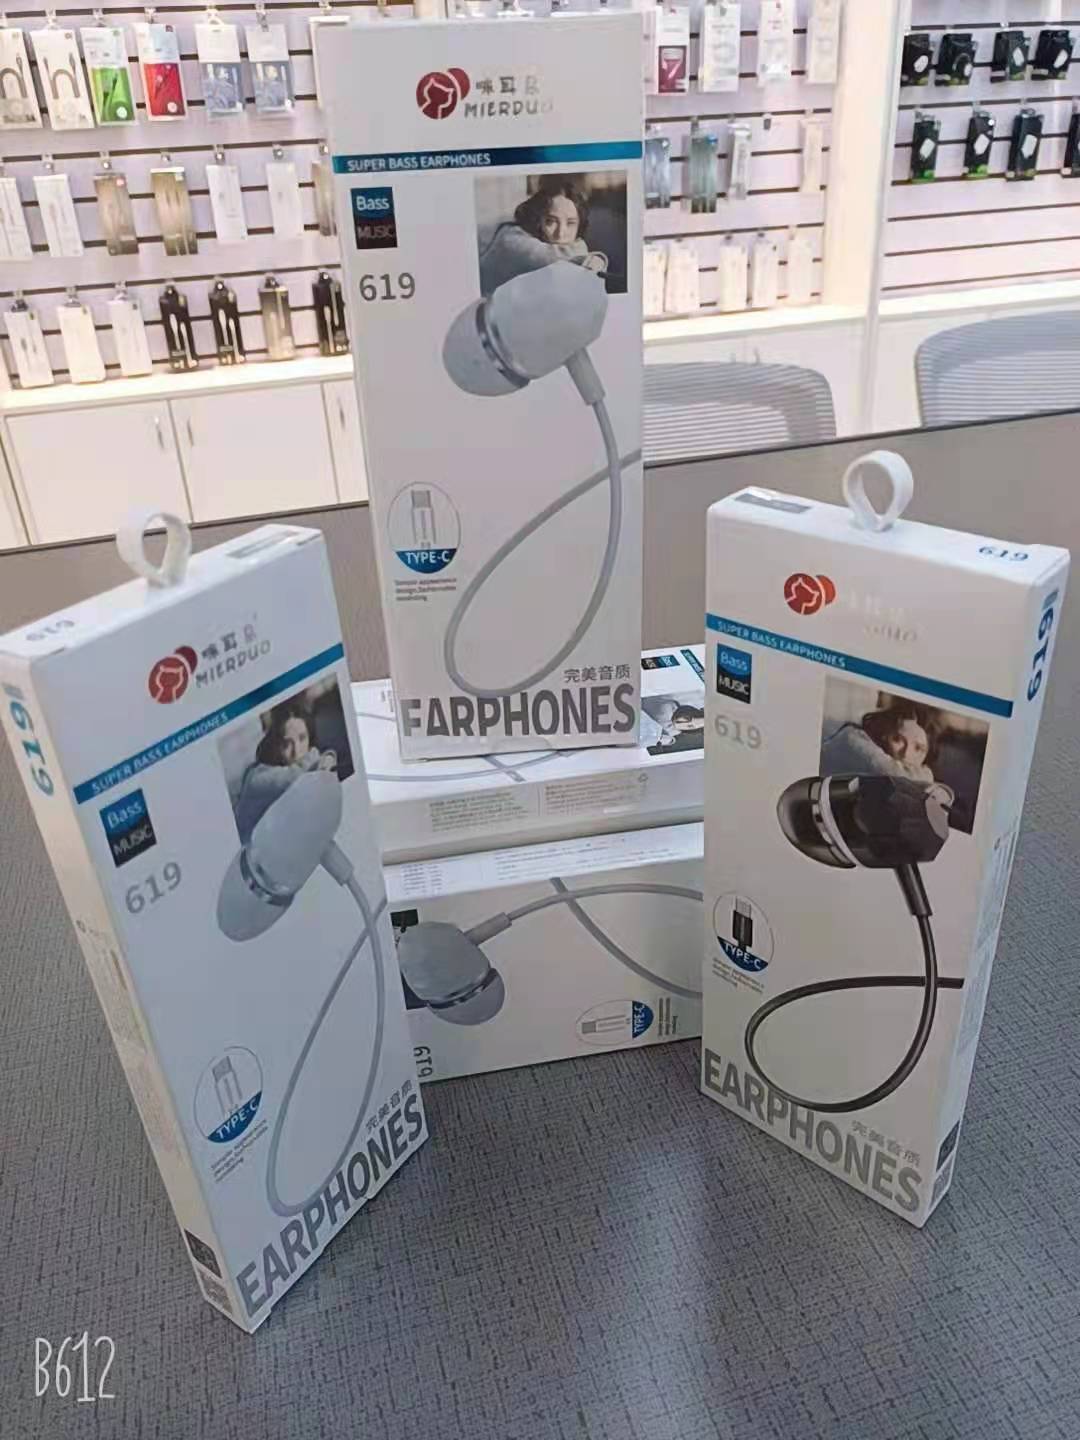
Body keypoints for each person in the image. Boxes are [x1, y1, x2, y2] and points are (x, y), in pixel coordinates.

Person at [479, 177, 608, 295]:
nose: (560, 233)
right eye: (551, 222)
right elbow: (556, 257)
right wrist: (592, 258)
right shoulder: (512, 240)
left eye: (570, 223)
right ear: (537, 219)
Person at [233, 700, 336, 843]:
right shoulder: (259, 779)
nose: (297, 751)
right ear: (275, 744)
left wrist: (327, 758)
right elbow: (297, 775)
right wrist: (324, 757)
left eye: (302, 738)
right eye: (287, 743)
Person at [822, 701, 937, 784]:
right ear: (884, 735)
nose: (906, 754)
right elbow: (895, 774)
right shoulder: (854, 740)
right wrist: (927, 775)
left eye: (918, 748)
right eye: (897, 739)